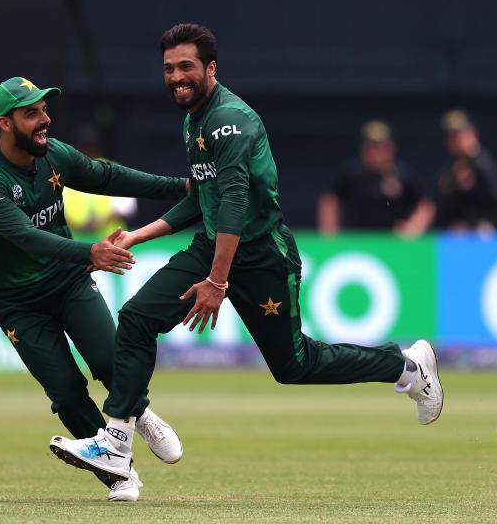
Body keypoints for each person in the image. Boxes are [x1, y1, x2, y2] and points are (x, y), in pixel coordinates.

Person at [48, 24, 443, 487]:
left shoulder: (228, 120)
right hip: (214, 245)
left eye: (187, 67)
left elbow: (234, 200)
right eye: (169, 68)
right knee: (137, 318)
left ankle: (407, 366)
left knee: (294, 366)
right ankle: (117, 443)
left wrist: (218, 282)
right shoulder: (194, 119)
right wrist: (138, 235)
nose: (176, 76)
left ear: (211, 68)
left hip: (259, 254)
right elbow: (203, 199)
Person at [0, 76, 186, 502]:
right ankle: (120, 475)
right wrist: (90, 253)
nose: (45, 120)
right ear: (4, 124)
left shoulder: (53, 154)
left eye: (45, 109)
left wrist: (183, 187)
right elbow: (26, 237)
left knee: (108, 359)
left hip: (66, 282)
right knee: (65, 392)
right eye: (32, 114)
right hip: (17, 303)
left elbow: (106, 176)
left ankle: (139, 413)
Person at [317, 120, 435, 236]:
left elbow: (425, 205)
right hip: (356, 240)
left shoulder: (403, 174)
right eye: (371, 147)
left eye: (382, 147)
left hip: (393, 241)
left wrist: (413, 227)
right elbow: (330, 201)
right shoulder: (352, 172)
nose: (376, 152)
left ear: (391, 148)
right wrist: (329, 232)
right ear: (362, 148)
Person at [436, 110, 497, 232]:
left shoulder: (483, 163)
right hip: (455, 228)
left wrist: (471, 187)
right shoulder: (449, 165)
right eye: (451, 136)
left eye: (459, 135)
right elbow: (439, 203)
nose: (456, 140)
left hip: (481, 226)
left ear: (472, 133)